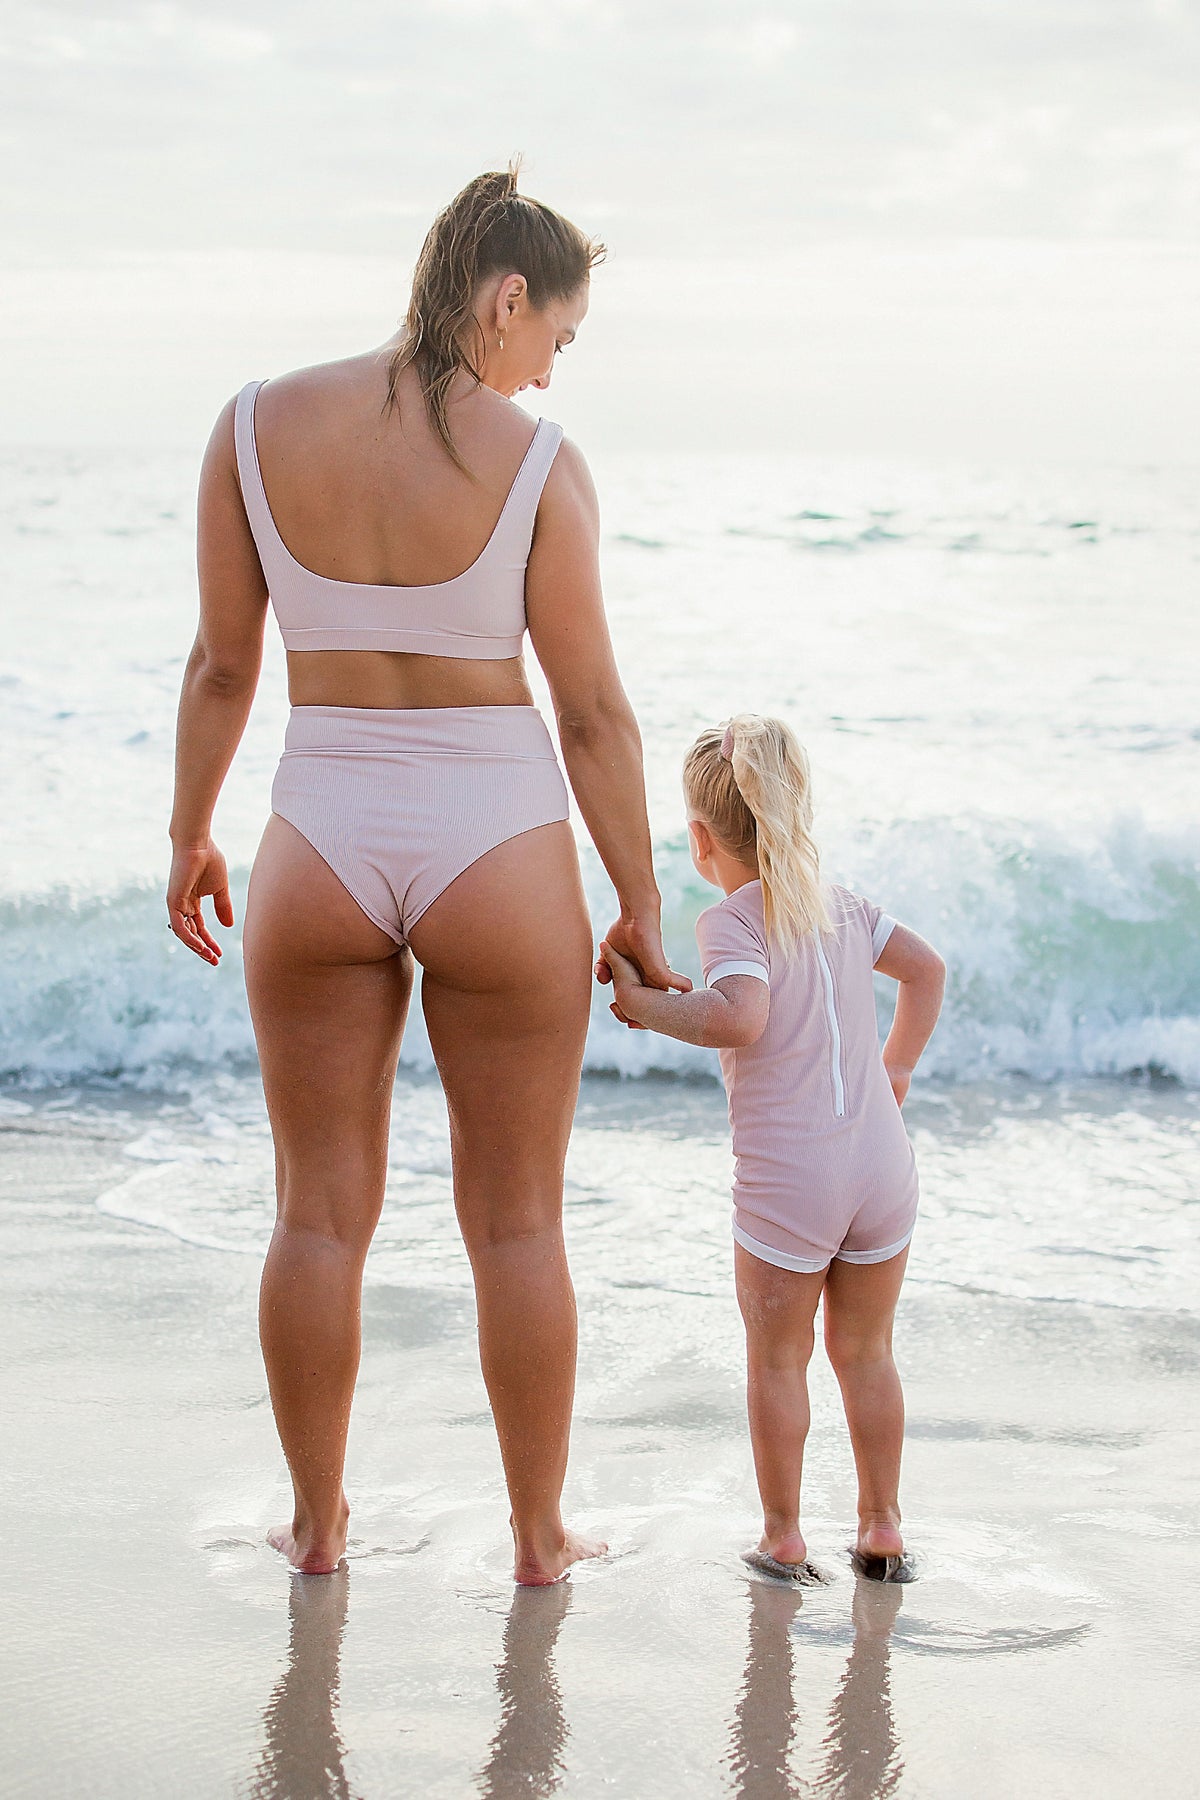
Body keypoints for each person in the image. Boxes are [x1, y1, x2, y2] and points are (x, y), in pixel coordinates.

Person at [167, 166, 687, 1585]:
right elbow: (591, 713)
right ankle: (535, 1540)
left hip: (319, 829)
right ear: (504, 296)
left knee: (316, 1213)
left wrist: (188, 832)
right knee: (517, 1222)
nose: (548, 369)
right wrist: (641, 904)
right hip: (496, 839)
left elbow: (224, 664)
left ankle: (320, 1529)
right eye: (555, 337)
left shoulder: (256, 425)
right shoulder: (535, 461)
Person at [600, 715, 944, 1582]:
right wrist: (895, 1069)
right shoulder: (848, 908)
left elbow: (737, 1017)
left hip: (795, 1185)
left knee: (778, 1358)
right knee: (866, 1353)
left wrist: (641, 1006)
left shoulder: (731, 921)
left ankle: (785, 1535)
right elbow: (929, 970)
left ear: (701, 839)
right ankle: (881, 1526)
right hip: (882, 1170)